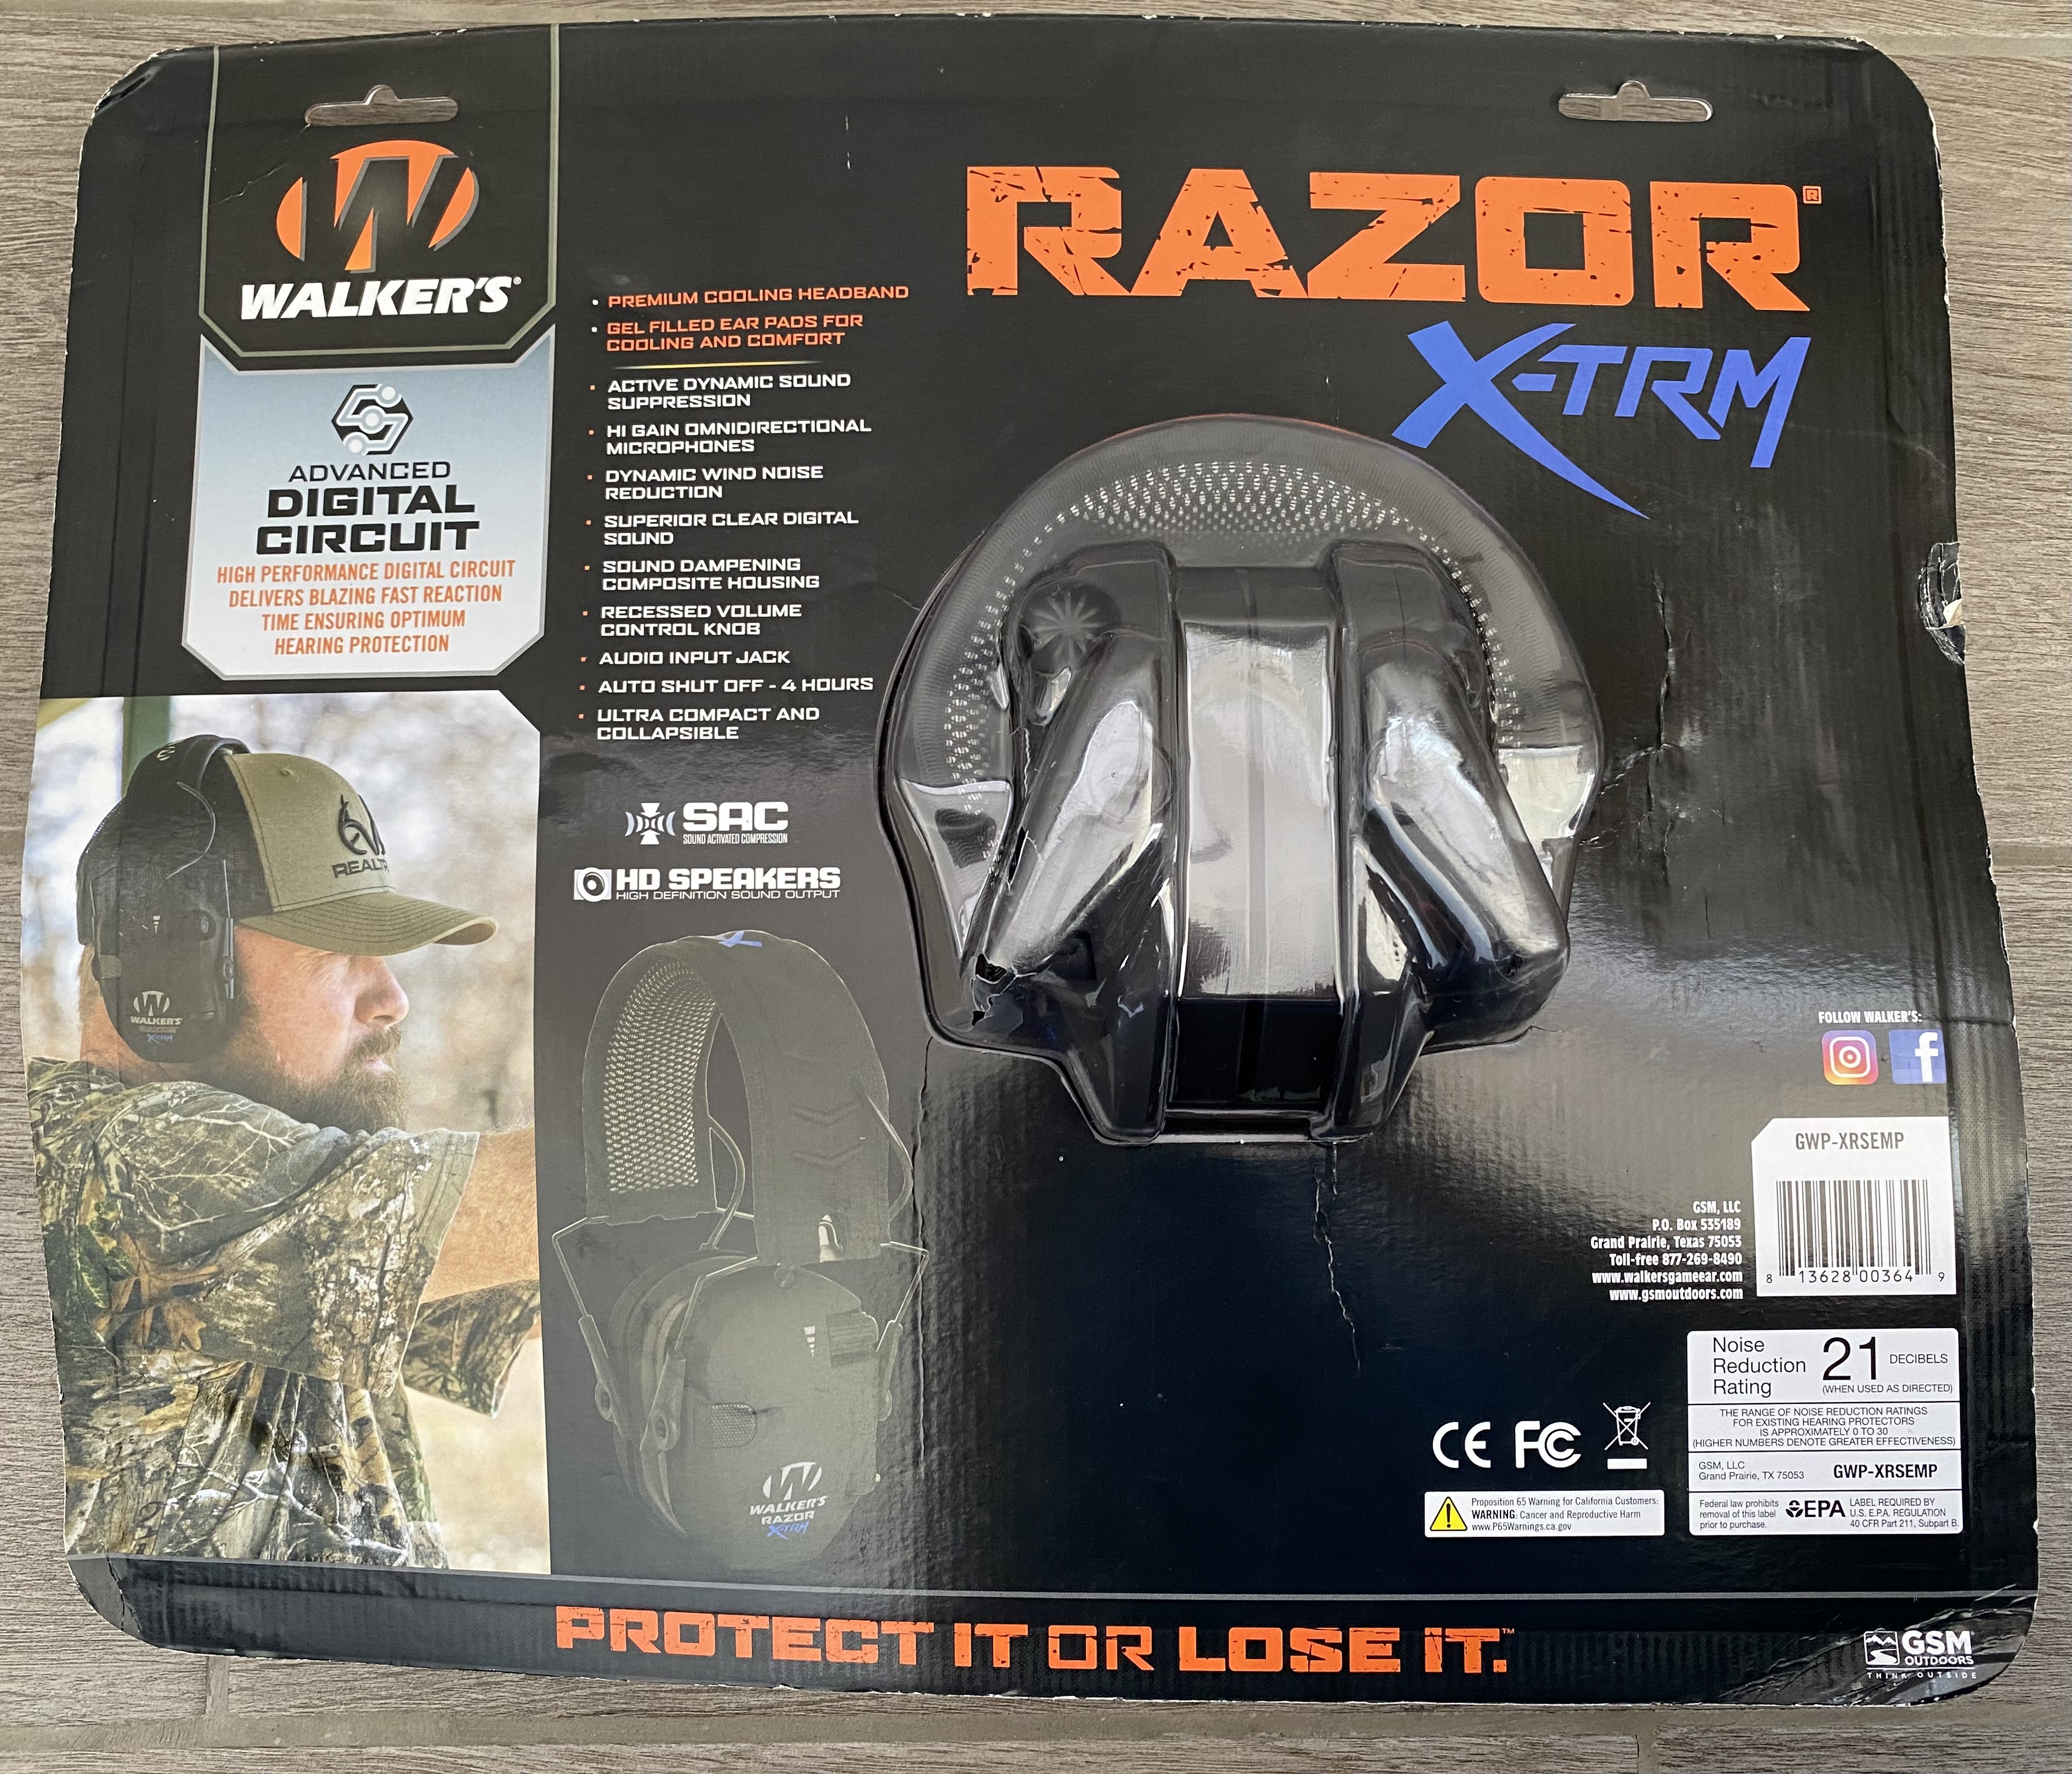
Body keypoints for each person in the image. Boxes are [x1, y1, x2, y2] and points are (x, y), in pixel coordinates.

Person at [29, 737, 539, 1568]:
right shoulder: (121, 1158)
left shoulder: (270, 1236)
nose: (393, 998)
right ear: (176, 974)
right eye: (339, 953)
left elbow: (543, 1270)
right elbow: (541, 1203)